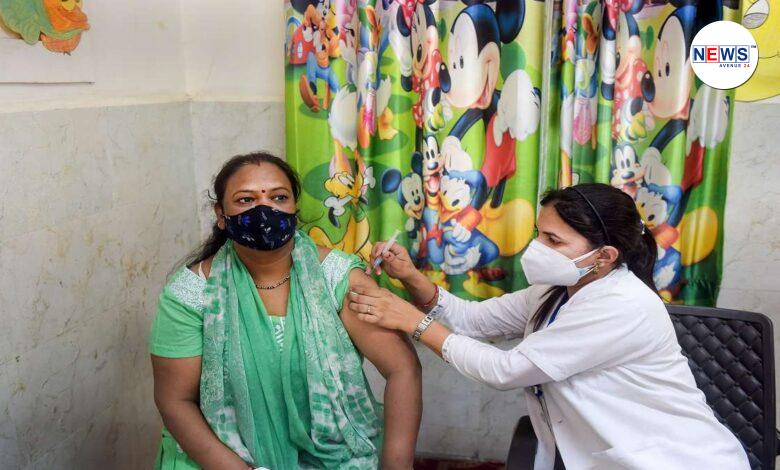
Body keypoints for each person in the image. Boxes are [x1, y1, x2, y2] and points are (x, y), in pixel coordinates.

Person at [349, 183, 749, 469]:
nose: (538, 248)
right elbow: (474, 320)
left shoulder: (621, 305)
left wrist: (414, 322)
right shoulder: (559, 289)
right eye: (539, 234)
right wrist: (411, 277)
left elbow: (506, 371)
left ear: (605, 256)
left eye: (554, 240)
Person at [149, 152, 422, 470]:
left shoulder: (336, 278)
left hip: (335, 456)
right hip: (221, 456)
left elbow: (402, 369)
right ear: (221, 215)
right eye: (246, 199)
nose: (264, 210)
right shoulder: (192, 293)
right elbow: (175, 401)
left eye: (279, 197)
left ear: (294, 208)